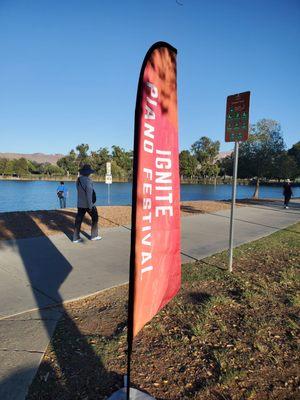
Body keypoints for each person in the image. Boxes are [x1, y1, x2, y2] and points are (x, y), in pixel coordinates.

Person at [73, 164, 102, 243]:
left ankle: (75, 238)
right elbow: (89, 194)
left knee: (78, 220)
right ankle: (94, 236)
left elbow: (79, 191)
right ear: (88, 173)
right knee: (95, 217)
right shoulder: (88, 181)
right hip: (87, 204)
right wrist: (91, 206)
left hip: (80, 204)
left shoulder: (78, 180)